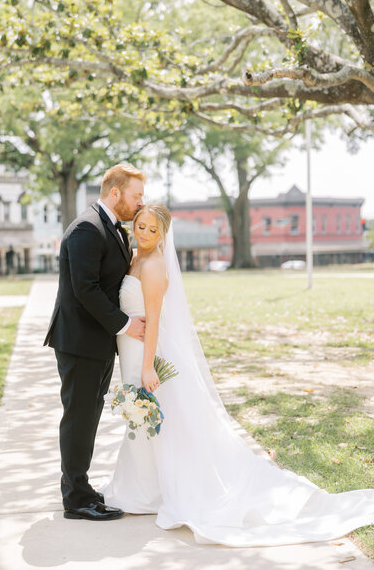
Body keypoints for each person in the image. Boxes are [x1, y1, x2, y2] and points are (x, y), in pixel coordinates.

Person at [101, 203, 374, 547]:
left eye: (153, 230)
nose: (145, 233)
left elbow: (154, 320)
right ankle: (142, 486)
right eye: (141, 226)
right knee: (144, 421)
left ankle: (151, 489)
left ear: (163, 236)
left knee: (156, 420)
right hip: (130, 349)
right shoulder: (135, 258)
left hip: (145, 354)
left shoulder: (153, 265)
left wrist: (146, 367)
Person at [44, 163, 146, 521]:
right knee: (79, 418)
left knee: (88, 417)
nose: (140, 203)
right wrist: (125, 324)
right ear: (114, 192)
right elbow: (84, 288)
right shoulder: (87, 228)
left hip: (96, 341)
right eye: (135, 196)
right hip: (79, 342)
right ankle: (76, 499)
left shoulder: (112, 228)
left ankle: (81, 488)